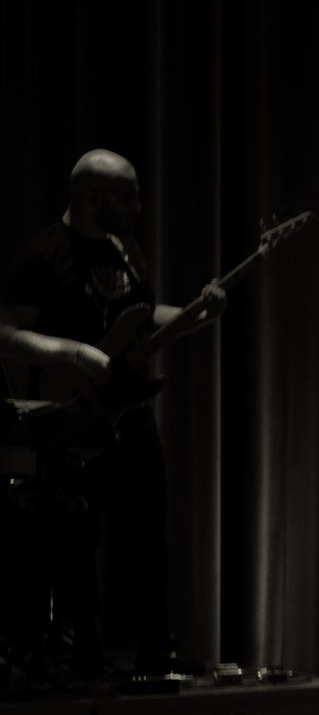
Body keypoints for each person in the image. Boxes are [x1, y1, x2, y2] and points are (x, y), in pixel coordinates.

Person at [0, 149, 225, 672]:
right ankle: (84, 650)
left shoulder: (125, 252)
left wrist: (199, 313)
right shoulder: (41, 257)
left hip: (128, 412)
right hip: (69, 419)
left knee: (148, 533)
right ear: (93, 199)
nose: (140, 207)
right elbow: (6, 335)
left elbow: (142, 320)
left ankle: (156, 648)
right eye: (129, 197)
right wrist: (76, 352)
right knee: (74, 540)